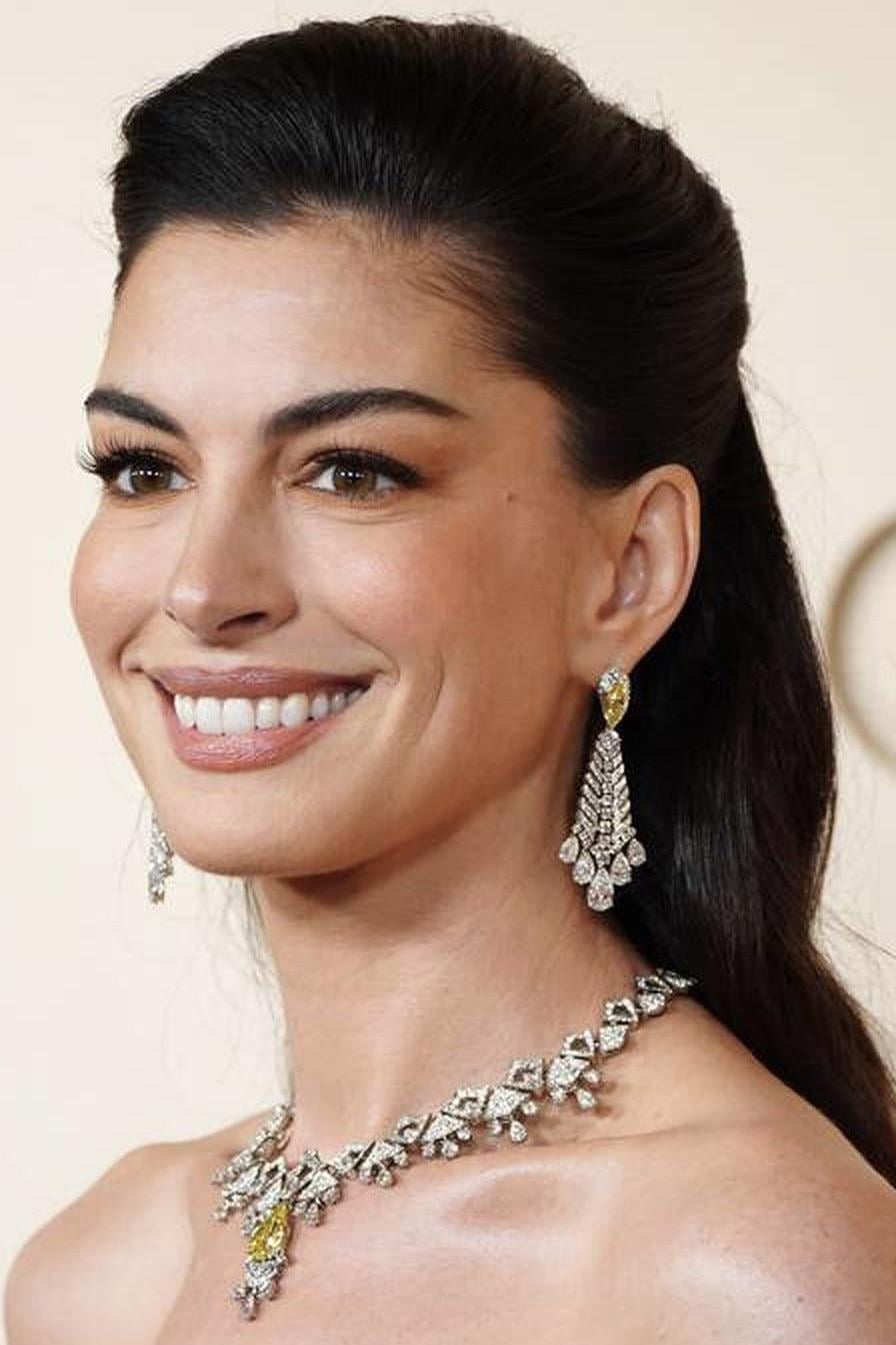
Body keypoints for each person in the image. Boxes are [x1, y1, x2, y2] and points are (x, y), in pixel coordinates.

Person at [5, 13, 896, 1343]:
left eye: (352, 470)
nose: (202, 587)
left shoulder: (754, 1278)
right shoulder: (94, 1276)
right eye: (145, 468)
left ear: (629, 571)